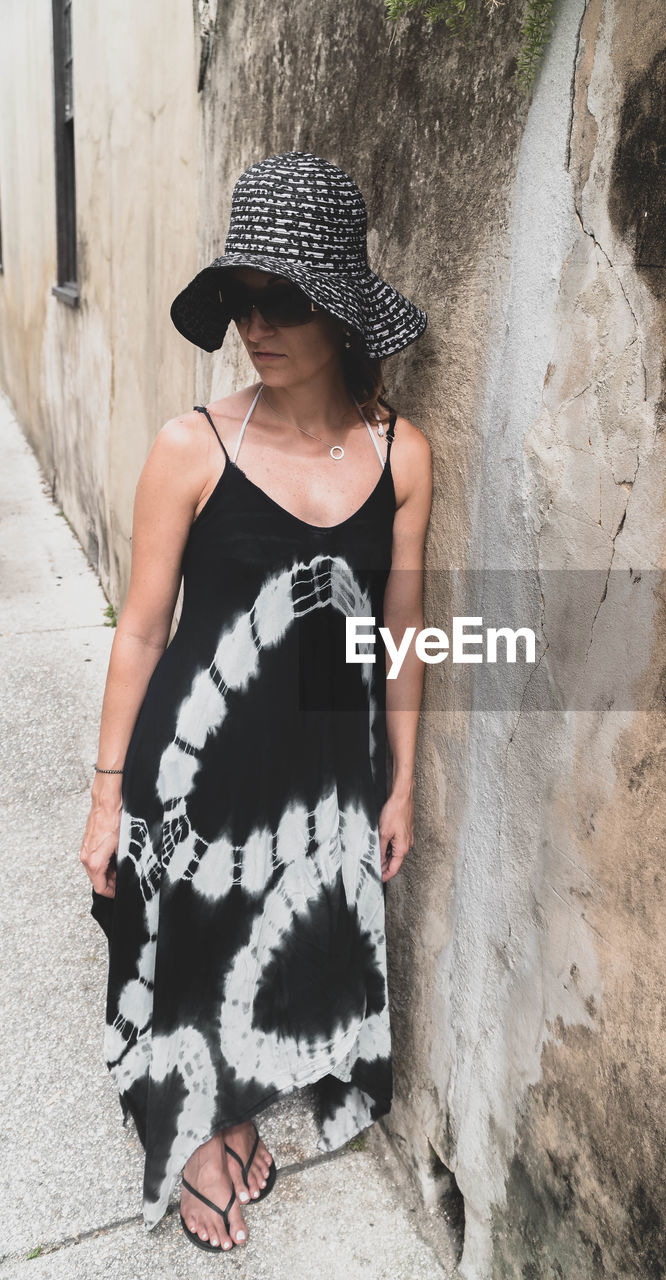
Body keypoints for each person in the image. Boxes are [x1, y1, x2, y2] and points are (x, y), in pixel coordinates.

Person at [78, 151, 432, 1253]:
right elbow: (141, 630)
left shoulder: (403, 456)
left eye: (282, 300)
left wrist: (402, 777)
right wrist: (103, 796)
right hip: (197, 764)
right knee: (192, 945)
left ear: (340, 309)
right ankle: (198, 1141)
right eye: (241, 299)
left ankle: (234, 1111)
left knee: (262, 945)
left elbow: (400, 633)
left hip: (321, 771)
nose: (254, 324)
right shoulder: (193, 446)